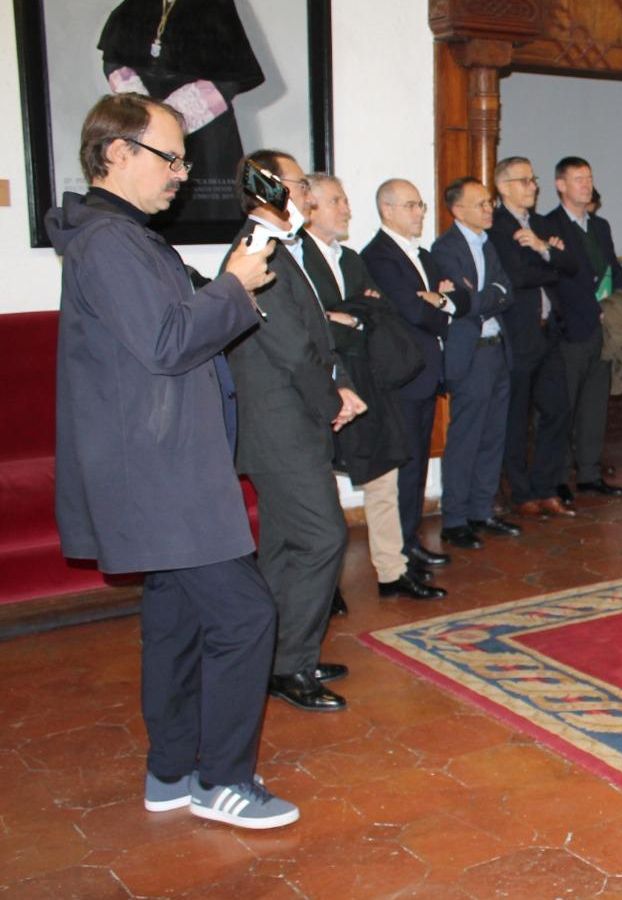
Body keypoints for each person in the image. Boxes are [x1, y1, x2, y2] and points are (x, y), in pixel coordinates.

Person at [49, 93, 297, 828]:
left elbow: (172, 326)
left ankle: (171, 772)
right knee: (247, 616)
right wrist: (235, 288)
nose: (182, 174)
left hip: (161, 465)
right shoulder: (107, 241)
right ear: (117, 153)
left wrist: (231, 277)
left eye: (185, 159)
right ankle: (223, 780)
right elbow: (165, 343)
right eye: (170, 157)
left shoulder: (119, 236)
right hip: (161, 474)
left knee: (177, 622)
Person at [227, 149, 363, 714]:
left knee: (284, 546)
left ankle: (277, 657)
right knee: (324, 538)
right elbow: (288, 349)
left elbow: (317, 337)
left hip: (291, 422)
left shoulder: (281, 248)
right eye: (299, 183)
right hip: (279, 427)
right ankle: (290, 665)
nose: (308, 193)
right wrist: (332, 400)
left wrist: (339, 386)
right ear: (270, 188)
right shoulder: (257, 250)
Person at [300, 173, 443, 601]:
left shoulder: (350, 259)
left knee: (383, 479)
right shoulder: (297, 258)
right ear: (310, 207)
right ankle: (326, 588)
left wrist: (347, 317)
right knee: (319, 489)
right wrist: (346, 319)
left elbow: (379, 312)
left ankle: (391, 571)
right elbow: (308, 326)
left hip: (368, 383)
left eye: (345, 199)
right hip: (319, 383)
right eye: (336, 201)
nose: (347, 208)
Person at [97, 0, 262, 228]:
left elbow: (229, 78)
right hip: (143, 119)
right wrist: (144, 110)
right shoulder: (134, 6)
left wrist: (170, 116)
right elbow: (113, 60)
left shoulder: (216, 7)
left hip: (204, 126)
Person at [361, 179, 457, 569]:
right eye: (412, 205)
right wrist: (438, 304)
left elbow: (450, 301)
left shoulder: (423, 255)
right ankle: (398, 548)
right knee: (405, 465)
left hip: (426, 374)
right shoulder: (380, 257)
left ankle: (410, 540)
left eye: (420, 205)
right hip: (403, 378)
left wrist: (440, 301)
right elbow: (415, 312)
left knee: (417, 464)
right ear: (388, 210)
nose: (421, 212)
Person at [431, 177, 522, 549]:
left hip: (498, 348)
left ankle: (481, 510)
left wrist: (481, 297)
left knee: (493, 435)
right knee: (466, 437)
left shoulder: (489, 244)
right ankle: (454, 519)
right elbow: (465, 301)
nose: (489, 209)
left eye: (489, 203)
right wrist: (485, 297)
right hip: (471, 355)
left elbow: (506, 291)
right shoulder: (445, 248)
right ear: (458, 210)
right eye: (481, 203)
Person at [488, 156, 577, 519]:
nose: (533, 186)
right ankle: (521, 492)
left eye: (533, 179)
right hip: (519, 333)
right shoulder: (496, 226)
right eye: (524, 180)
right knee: (516, 418)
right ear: (504, 186)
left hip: (550, 332)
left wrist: (542, 248)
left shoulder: (541, 225)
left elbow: (571, 266)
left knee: (557, 410)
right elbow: (517, 275)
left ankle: (545, 487)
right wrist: (549, 260)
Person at [546, 157, 622, 497]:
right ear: (560, 185)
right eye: (578, 178)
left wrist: (617, 305)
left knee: (595, 402)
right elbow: (555, 280)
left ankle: (590, 472)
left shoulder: (600, 226)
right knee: (565, 404)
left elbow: (612, 269)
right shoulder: (548, 225)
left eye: (589, 178)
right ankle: (560, 476)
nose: (586, 184)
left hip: (603, 326)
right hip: (570, 328)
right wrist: (585, 309)